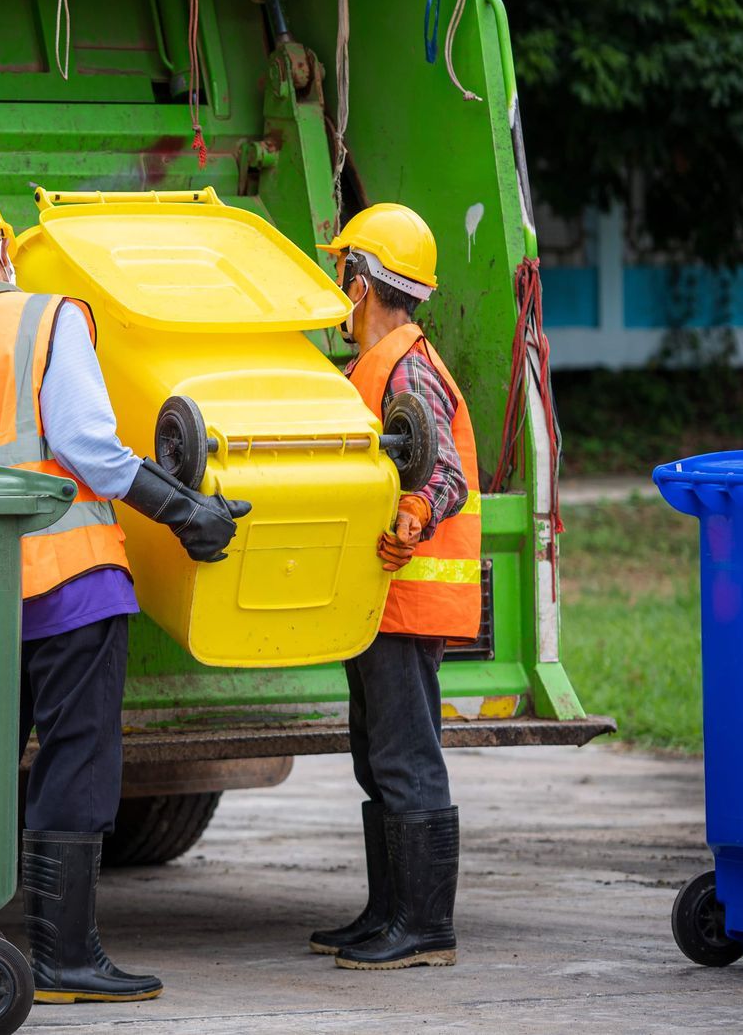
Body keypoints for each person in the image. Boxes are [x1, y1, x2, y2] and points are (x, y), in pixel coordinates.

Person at [0, 183, 251, 1003]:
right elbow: (88, 445)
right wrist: (182, 506)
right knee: (78, 759)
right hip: (72, 581)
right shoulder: (46, 318)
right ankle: (65, 959)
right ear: (2, 248)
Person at [311, 203, 480, 970]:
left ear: (362, 280)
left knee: (407, 757)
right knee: (377, 756)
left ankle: (425, 925)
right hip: (379, 596)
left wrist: (414, 511)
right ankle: (388, 912)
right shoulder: (374, 364)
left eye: (344, 269)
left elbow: (441, 471)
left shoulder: (410, 366)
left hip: (409, 597)